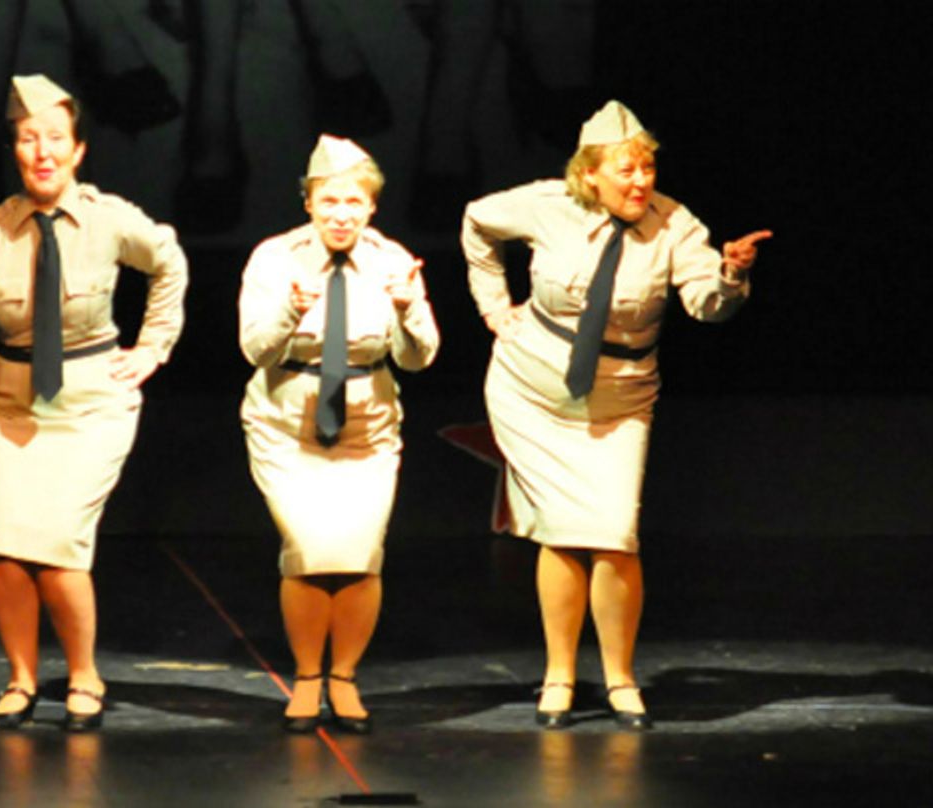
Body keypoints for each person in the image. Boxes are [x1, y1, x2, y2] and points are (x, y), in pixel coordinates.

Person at [461, 100, 771, 730]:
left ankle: (621, 678)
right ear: (590, 173)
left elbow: (705, 306)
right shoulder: (548, 204)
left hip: (620, 395)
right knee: (562, 531)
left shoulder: (675, 225)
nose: (640, 182)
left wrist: (731, 276)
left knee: (614, 532)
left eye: (647, 169)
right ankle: (558, 677)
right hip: (533, 388)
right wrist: (495, 308)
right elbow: (476, 223)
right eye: (626, 170)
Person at [0, 74, 188, 731]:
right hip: (10, 403)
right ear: (16, 151)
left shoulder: (110, 219)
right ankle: (22, 678)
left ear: (78, 150)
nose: (42, 151)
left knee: (58, 546)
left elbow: (169, 261)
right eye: (29, 139)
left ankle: (84, 674)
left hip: (93, 403)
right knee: (5, 547)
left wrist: (153, 347)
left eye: (55, 138)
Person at [239, 135, 439, 733]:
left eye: (353, 202)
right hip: (286, 425)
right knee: (307, 549)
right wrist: (289, 314)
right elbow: (254, 347)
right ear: (309, 203)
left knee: (358, 552)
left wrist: (409, 309)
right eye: (329, 201)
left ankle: (344, 677)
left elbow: (419, 358)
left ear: (371, 206)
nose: (341, 214)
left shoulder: (393, 260)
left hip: (367, 430)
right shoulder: (274, 258)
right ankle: (306, 677)